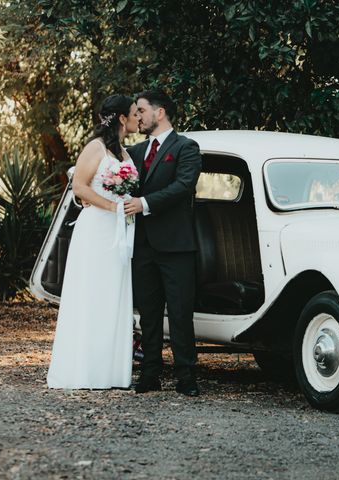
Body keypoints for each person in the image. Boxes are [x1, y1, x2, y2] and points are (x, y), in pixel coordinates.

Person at [47, 94, 139, 389]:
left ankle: (110, 372)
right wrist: (112, 207)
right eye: (134, 113)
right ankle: (82, 370)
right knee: (91, 293)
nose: (139, 118)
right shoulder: (95, 147)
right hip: (96, 229)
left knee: (113, 295)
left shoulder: (125, 152)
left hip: (119, 232)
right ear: (122, 118)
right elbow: (79, 187)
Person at [124, 89, 202, 396]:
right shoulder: (135, 151)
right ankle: (150, 373)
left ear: (160, 112)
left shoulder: (186, 147)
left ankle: (187, 377)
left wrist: (143, 203)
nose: (138, 116)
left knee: (181, 313)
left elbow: (184, 186)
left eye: (141, 110)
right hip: (142, 246)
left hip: (177, 246)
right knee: (149, 313)